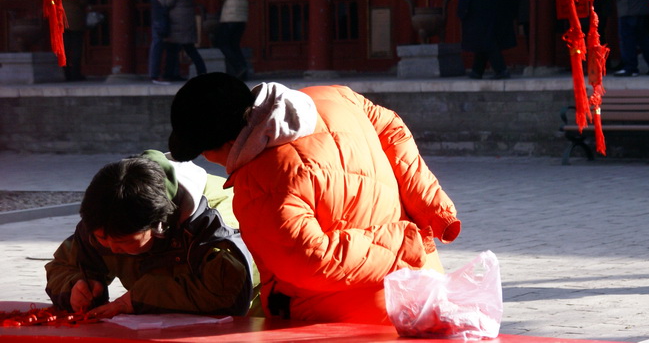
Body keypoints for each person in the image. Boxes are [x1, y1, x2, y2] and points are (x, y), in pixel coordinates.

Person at [168, 73, 461, 324]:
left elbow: (313, 262)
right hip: (422, 285)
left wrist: (404, 242)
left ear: (229, 143)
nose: (209, 161)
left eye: (205, 153)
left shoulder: (258, 189)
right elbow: (391, 127)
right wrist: (432, 209)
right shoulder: (330, 98)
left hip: (346, 321)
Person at [45, 150, 258, 318]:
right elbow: (63, 266)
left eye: (124, 241)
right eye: (102, 238)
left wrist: (136, 299)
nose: (110, 247)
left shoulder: (217, 222)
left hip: (252, 321)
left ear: (159, 226)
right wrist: (75, 286)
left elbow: (226, 294)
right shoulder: (106, 216)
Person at [163, 0, 207, 80]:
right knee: (190, 48)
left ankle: (169, 74)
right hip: (188, 15)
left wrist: (160, 0)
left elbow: (169, 2)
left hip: (176, 18)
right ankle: (202, 71)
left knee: (172, 49)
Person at [215, 0, 252, 80]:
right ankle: (243, 70)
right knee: (234, 45)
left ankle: (238, 67)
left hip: (230, 17)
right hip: (242, 17)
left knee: (222, 43)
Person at [144, 0, 172, 84]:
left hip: (155, 13)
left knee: (156, 43)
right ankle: (156, 73)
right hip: (163, 13)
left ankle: (154, 73)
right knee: (160, 44)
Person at [61, 0, 87, 81]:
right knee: (76, 47)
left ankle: (65, 73)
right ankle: (75, 73)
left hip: (61, 18)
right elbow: (83, 0)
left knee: (64, 48)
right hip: (75, 18)